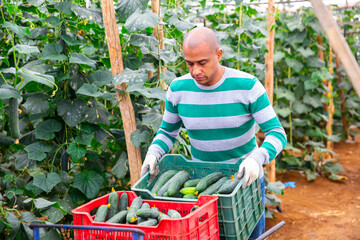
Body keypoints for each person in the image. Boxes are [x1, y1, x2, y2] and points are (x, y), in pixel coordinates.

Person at [140, 27, 287, 239]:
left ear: (218, 55)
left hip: (244, 184)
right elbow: (167, 132)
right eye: (189, 63)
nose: (195, 71)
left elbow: (277, 133)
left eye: (202, 62)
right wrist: (154, 152)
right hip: (201, 186)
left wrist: (256, 159)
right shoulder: (178, 89)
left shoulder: (247, 86)